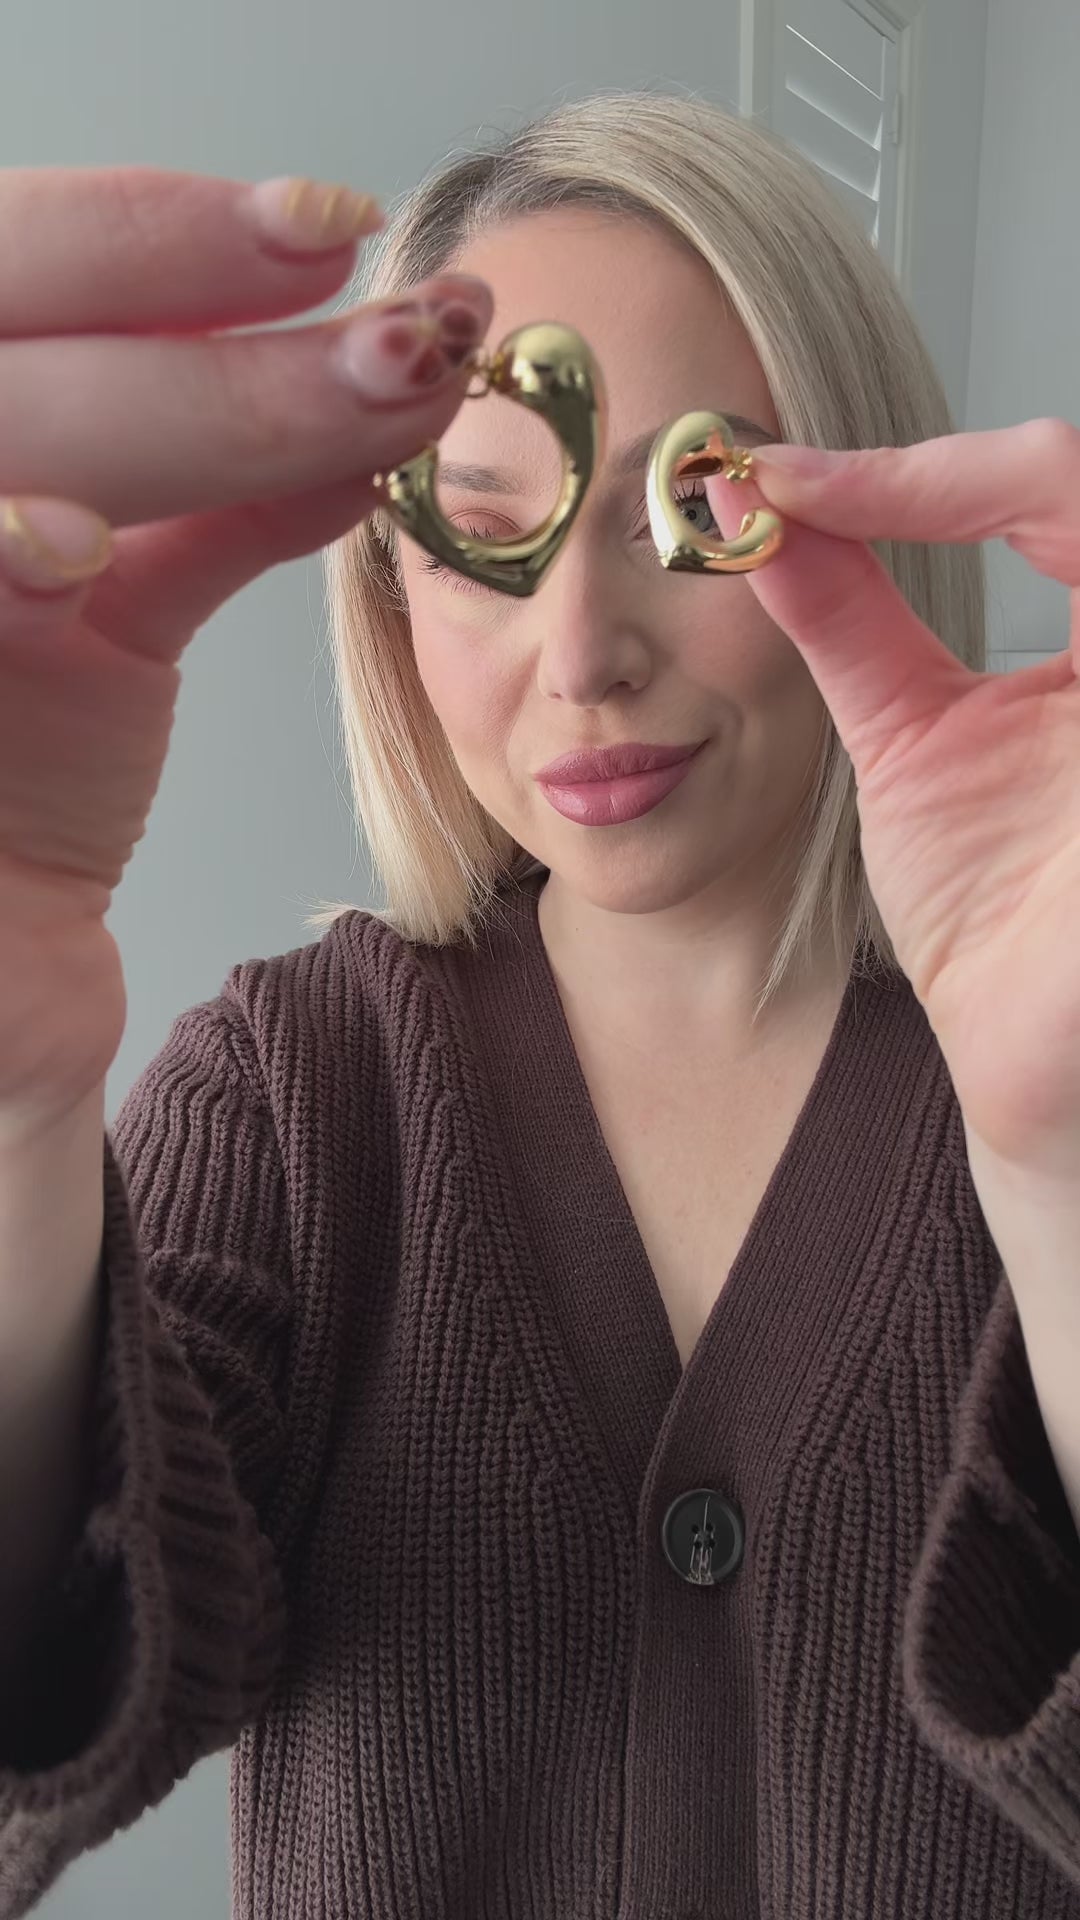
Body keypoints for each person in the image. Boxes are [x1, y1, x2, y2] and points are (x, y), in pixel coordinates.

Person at [1, 88, 1079, 1920]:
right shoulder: (289, 1098)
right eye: (480, 532)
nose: (582, 658)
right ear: (391, 594)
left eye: (696, 511)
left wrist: (1059, 1172)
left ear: (876, 508)